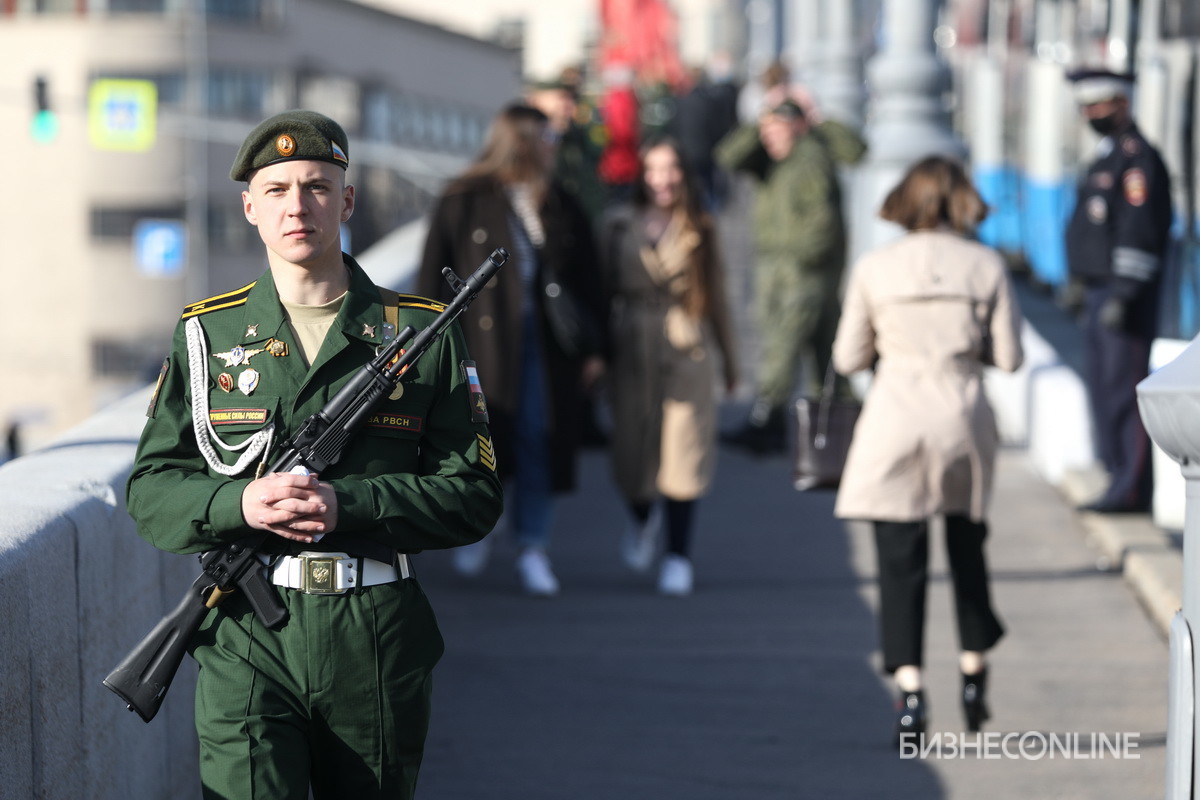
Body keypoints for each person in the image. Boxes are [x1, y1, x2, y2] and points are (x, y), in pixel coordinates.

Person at [125, 110, 503, 799]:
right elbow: (150, 488)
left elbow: (474, 495)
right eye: (277, 190)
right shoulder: (206, 335)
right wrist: (236, 502)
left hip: (374, 638)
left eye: (317, 186)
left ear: (347, 200)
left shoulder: (418, 333)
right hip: (246, 634)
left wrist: (345, 504)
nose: (297, 205)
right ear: (249, 207)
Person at [831, 156, 1024, 745]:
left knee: (898, 560)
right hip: (961, 418)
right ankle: (973, 673)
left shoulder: (875, 267)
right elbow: (1011, 358)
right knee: (967, 547)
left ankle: (910, 693)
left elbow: (847, 359)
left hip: (894, 419)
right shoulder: (985, 265)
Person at [418, 103, 606, 596]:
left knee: (539, 441)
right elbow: (430, 277)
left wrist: (596, 350)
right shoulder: (464, 198)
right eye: (545, 136)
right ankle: (478, 527)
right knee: (482, 442)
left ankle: (533, 548)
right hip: (480, 343)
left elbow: (590, 279)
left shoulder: (559, 202)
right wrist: (429, 344)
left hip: (547, 347)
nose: (553, 146)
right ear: (520, 140)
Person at [599, 137, 739, 595]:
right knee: (631, 454)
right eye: (653, 168)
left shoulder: (700, 224)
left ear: (684, 173)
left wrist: (731, 362)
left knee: (684, 452)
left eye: (672, 168)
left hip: (686, 343)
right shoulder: (617, 224)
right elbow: (599, 293)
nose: (663, 178)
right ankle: (642, 518)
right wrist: (592, 356)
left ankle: (678, 555)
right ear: (641, 174)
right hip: (631, 343)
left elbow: (717, 296)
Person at [715, 97, 867, 454]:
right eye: (765, 132)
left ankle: (766, 420)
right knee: (826, 354)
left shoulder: (810, 157)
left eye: (777, 130)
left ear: (798, 128)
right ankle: (837, 429)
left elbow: (824, 216)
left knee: (784, 345)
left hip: (799, 271)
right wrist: (760, 120)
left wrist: (816, 117)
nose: (770, 139)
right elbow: (727, 157)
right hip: (780, 267)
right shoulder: (768, 161)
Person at [1062, 68, 1173, 513]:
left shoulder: (1136, 159)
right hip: (1098, 290)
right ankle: (1114, 473)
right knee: (1104, 388)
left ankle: (1129, 486)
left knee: (1124, 389)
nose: (1090, 114)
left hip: (1119, 295)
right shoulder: (1109, 156)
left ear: (1122, 104)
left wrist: (1125, 293)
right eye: (1085, 108)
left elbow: (1139, 231)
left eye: (1098, 106)